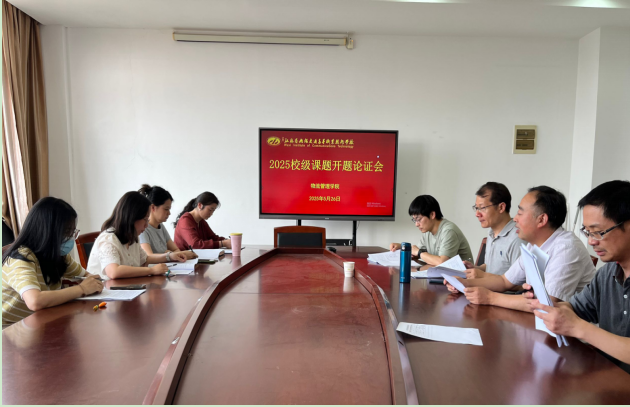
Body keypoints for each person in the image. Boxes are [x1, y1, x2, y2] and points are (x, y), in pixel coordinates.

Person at [530, 180, 630, 374]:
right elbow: (574, 308)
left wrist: (578, 328)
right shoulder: (607, 273)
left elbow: (577, 324)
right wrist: (549, 307)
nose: (591, 241)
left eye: (599, 232)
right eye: (587, 232)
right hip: (606, 378)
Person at [446, 186, 596, 312]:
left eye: (520, 213)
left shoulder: (567, 248)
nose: (515, 218)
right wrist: (463, 283)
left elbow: (547, 304)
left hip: (570, 334)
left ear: (541, 220)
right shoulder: (533, 245)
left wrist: (490, 297)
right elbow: (504, 281)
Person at [2, 197, 103, 325]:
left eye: (72, 232)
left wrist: (93, 282)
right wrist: (82, 289)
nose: (71, 238)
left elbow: (86, 276)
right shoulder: (20, 258)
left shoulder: (59, 255)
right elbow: (35, 301)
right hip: (9, 331)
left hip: (38, 324)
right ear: (47, 231)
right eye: (67, 232)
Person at [87, 191, 186, 279]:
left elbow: (145, 259)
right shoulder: (108, 239)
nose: (146, 225)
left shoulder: (132, 237)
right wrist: (151, 270)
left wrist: (169, 256)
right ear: (132, 217)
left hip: (126, 288)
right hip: (104, 291)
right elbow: (113, 271)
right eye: (145, 219)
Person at [390, 195, 473, 266]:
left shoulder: (449, 231)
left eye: (418, 219)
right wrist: (403, 247)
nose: (416, 224)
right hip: (442, 275)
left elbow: (442, 262)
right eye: (414, 220)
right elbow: (420, 253)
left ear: (432, 214)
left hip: (464, 278)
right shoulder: (427, 231)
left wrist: (419, 253)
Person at [465, 182, 524, 277]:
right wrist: (475, 269)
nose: (477, 214)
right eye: (476, 208)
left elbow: (519, 281)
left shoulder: (517, 238)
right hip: (487, 285)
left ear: (501, 207)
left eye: (482, 208)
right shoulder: (491, 233)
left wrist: (482, 276)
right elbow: (490, 267)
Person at [138, 184, 196, 259]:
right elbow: (149, 256)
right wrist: (170, 255)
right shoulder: (143, 229)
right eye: (166, 209)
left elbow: (176, 250)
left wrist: (170, 254)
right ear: (153, 207)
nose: (169, 213)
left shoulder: (161, 226)